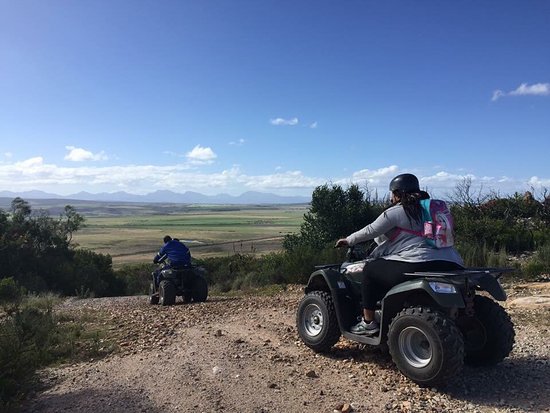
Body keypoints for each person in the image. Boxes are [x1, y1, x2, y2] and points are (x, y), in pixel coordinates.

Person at [335, 173, 464, 335]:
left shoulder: (397, 211)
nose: (391, 198)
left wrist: (348, 240)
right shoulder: (432, 210)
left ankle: (368, 322)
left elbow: (371, 230)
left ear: (397, 193)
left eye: (392, 194)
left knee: (370, 270)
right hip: (451, 261)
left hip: (418, 261)